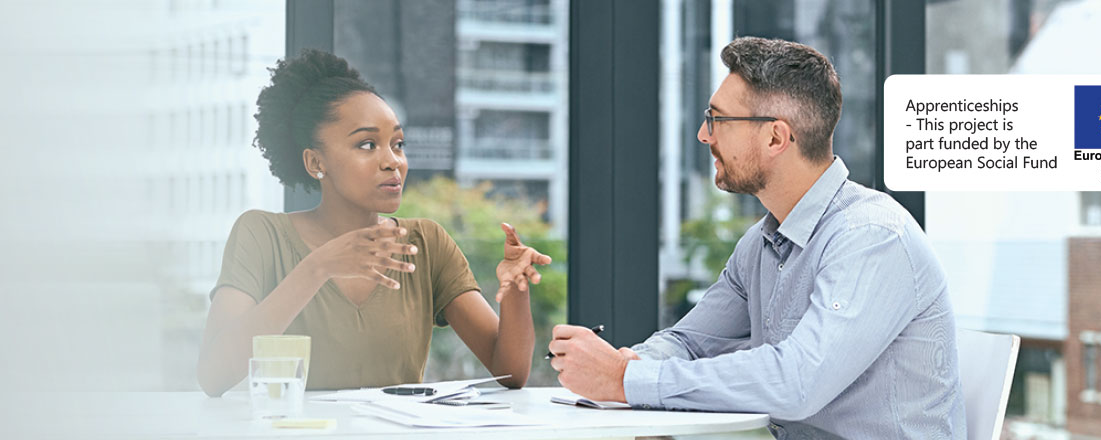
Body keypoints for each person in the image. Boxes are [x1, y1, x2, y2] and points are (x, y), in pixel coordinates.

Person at [546, 37, 965, 438]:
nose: (704, 135)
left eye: (717, 120)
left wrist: (625, 380)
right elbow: (689, 342)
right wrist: (628, 364)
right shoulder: (762, 242)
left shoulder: (871, 237)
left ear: (775, 138)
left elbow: (796, 383)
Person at [196, 49, 551, 395]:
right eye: (367, 145)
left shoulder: (426, 243)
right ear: (315, 162)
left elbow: (510, 372)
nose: (393, 161)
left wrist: (516, 288)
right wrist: (317, 268)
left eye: (398, 143)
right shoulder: (262, 235)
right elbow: (214, 376)